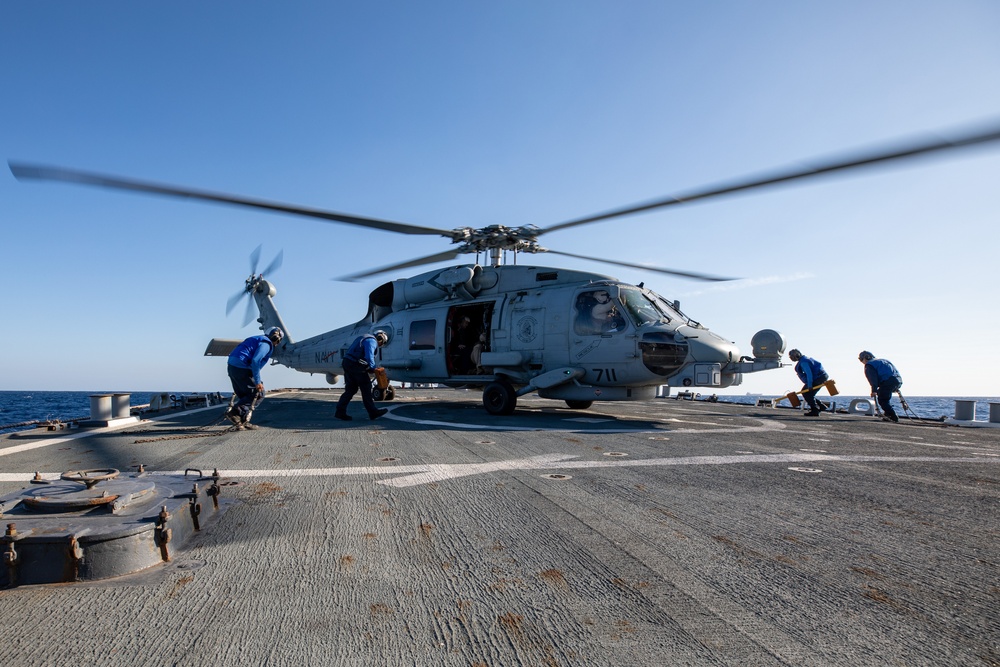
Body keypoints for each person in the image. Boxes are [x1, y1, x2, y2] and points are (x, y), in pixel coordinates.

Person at [226, 326, 283, 430]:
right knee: (259, 393)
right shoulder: (266, 344)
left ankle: (242, 422)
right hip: (242, 367)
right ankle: (234, 413)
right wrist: (257, 382)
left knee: (244, 395)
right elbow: (256, 361)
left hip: (232, 367)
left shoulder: (256, 339)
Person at [335, 331, 389, 421]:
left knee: (351, 389)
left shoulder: (363, 337)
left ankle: (340, 412)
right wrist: (373, 368)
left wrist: (368, 368)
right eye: (382, 343)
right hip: (355, 365)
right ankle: (373, 412)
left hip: (348, 363)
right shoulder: (372, 341)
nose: (380, 345)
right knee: (366, 386)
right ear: (380, 339)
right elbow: (369, 356)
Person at [859, 351, 902, 422]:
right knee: (884, 395)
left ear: (866, 358)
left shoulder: (869, 365)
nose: (862, 362)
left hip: (887, 382)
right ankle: (887, 413)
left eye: (861, 359)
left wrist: (874, 391)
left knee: (882, 400)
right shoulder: (884, 360)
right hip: (898, 380)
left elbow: (873, 379)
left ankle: (893, 416)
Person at [788, 349, 829, 417]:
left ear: (797, 355)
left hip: (818, 378)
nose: (791, 358)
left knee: (805, 392)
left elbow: (809, 374)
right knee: (809, 394)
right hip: (822, 377)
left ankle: (815, 410)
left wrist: (810, 385)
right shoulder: (805, 359)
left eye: (792, 356)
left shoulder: (803, 362)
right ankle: (821, 406)